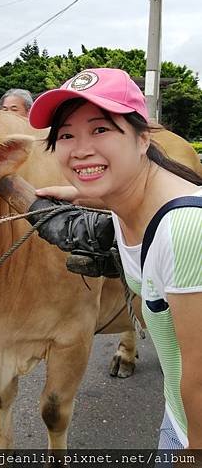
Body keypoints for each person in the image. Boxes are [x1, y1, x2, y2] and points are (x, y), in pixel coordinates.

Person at [28, 68, 202, 450]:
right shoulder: (125, 200)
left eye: (100, 130)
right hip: (176, 416)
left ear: (143, 139)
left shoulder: (185, 230)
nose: (80, 148)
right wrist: (72, 195)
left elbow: (200, 378)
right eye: (66, 135)